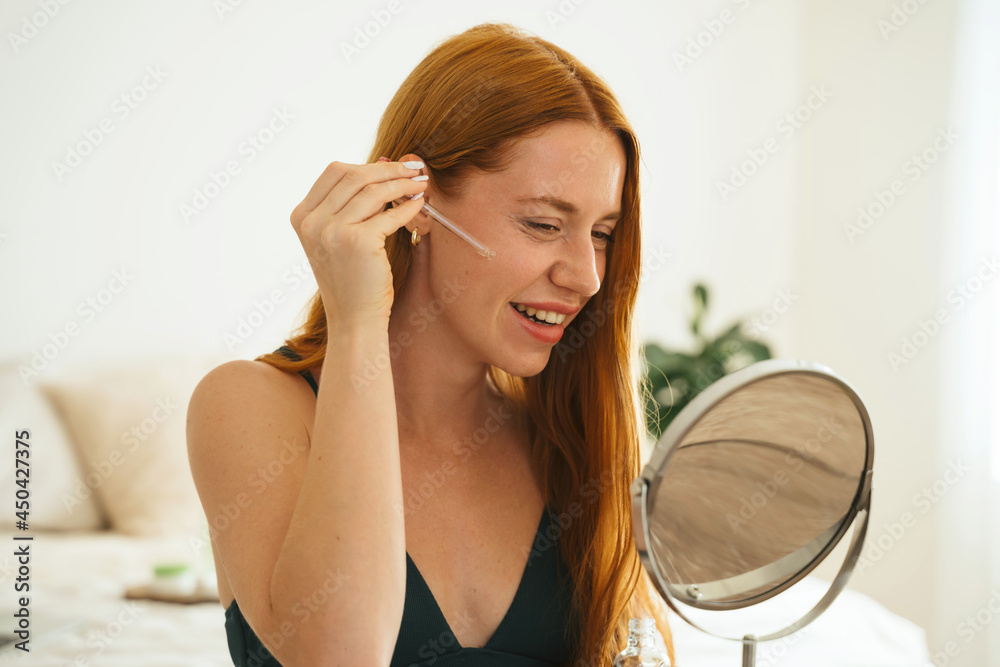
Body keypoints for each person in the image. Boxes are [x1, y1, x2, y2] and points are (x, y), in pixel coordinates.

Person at [186, 21, 674, 667]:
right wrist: (357, 315)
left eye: (603, 233)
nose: (584, 275)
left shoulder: (568, 439)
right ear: (416, 200)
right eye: (543, 223)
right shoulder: (247, 405)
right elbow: (340, 653)